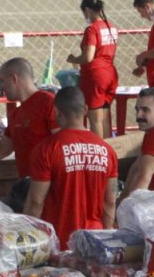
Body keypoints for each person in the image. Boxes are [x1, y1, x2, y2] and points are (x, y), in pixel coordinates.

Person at [25, 86, 120, 246]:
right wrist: (106, 238)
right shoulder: (107, 150)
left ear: (57, 112)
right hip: (94, 241)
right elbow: (109, 201)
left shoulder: (47, 149)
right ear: (85, 110)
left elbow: (36, 201)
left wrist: (29, 240)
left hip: (59, 242)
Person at [0, 57, 57, 211]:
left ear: (14, 79)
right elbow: (2, 148)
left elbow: (62, 142)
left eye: (3, 81)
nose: (2, 87)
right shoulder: (16, 113)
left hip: (50, 186)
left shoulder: (48, 103)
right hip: (28, 187)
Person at [69, 0, 119, 137]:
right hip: (110, 74)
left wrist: (73, 59)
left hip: (95, 76)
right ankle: (110, 150)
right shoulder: (111, 27)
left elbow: (88, 56)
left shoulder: (92, 29)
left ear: (87, 10)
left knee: (95, 119)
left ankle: (99, 152)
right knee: (105, 116)